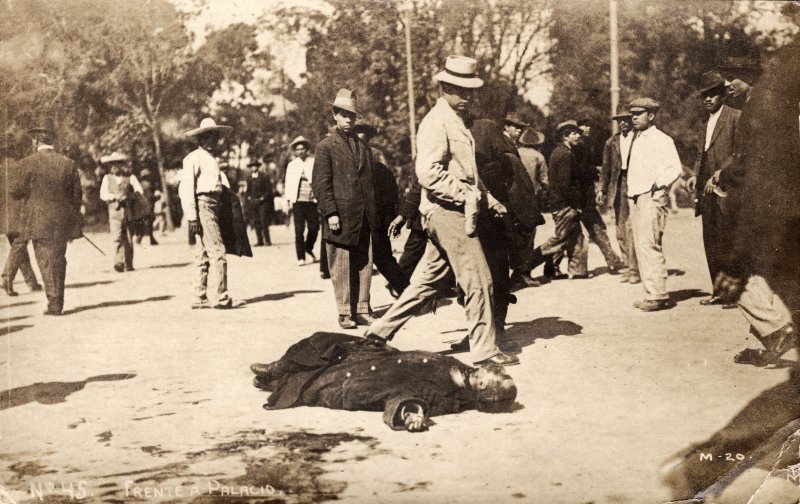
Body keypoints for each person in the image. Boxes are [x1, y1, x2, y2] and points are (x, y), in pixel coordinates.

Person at [365, 55, 518, 366]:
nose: (468, 97)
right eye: (461, 90)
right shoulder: (436, 122)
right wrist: (467, 196)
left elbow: (467, 172)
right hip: (448, 212)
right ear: (444, 87)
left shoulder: (455, 121)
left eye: (471, 91)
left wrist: (489, 200)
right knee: (479, 279)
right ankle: (485, 351)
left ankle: (377, 334)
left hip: (451, 211)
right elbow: (428, 172)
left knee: (426, 284)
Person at [713, 45, 799, 366]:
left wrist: (726, 172)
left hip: (770, 204)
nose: (728, 85)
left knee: (741, 270)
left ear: (749, 77)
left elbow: (757, 165)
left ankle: (775, 331)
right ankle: (766, 341)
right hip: (779, 200)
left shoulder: (761, 106)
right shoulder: (764, 102)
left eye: (733, 77)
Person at [249, 332, 517, 432]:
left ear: (484, 388)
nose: (498, 370)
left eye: (499, 376)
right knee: (325, 341)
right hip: (378, 359)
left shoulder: (451, 397)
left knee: (314, 383)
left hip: (365, 382)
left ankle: (275, 380)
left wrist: (411, 413)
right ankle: (275, 369)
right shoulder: (467, 372)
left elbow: (416, 400)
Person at [312, 89, 378, 329]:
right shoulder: (325, 147)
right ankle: (344, 312)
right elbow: (321, 183)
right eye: (344, 115)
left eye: (352, 115)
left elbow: (369, 182)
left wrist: (374, 214)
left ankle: (362, 307)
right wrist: (330, 213)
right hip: (340, 216)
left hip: (363, 216)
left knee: (364, 263)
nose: (349, 119)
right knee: (341, 265)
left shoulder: (363, 146)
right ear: (335, 116)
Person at [12, 126, 83, 315]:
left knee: (45, 260)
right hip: (62, 221)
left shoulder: (26, 163)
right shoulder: (68, 163)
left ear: (35, 141)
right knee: (59, 259)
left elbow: (15, 192)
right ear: (53, 141)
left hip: (38, 220)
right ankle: (57, 299)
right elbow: (77, 196)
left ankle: (54, 303)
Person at [685, 71, 741, 308]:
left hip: (727, 188)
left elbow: (739, 154)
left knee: (728, 241)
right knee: (711, 241)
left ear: (722, 95)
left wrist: (720, 174)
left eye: (712, 94)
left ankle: (736, 295)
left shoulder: (736, 117)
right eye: (704, 96)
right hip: (705, 190)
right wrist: (695, 177)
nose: (708, 99)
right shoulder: (704, 123)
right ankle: (719, 291)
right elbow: (701, 154)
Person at [626, 98, 682, 312]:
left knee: (650, 243)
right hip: (637, 195)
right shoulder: (636, 138)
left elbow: (674, 167)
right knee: (641, 245)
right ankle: (652, 292)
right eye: (632, 114)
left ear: (651, 116)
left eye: (639, 113)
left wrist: (658, 186)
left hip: (651, 195)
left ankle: (658, 294)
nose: (634, 117)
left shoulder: (661, 139)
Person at [178, 117, 241, 310]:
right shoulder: (193, 158)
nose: (212, 140)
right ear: (200, 139)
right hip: (203, 204)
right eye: (208, 137)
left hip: (214, 204)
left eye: (215, 137)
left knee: (202, 252)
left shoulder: (211, 159)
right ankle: (222, 297)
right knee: (218, 251)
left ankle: (200, 296)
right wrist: (192, 216)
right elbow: (186, 188)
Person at [354, 120, 409, 297]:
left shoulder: (376, 156)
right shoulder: (346, 156)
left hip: (377, 215)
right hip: (356, 216)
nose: (361, 141)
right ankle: (361, 306)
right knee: (358, 263)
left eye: (364, 137)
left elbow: (390, 188)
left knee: (383, 257)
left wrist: (393, 216)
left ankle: (407, 293)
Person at [528, 120, 588, 280]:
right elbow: (565, 185)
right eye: (574, 133)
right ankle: (525, 266)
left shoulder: (562, 152)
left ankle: (578, 271)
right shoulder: (564, 154)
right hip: (565, 205)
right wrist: (577, 205)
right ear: (565, 136)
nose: (578, 136)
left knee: (577, 236)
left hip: (564, 204)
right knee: (560, 239)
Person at [576, 120, 624, 274]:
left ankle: (613, 261)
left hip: (583, 196)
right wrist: (596, 170)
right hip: (580, 196)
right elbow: (580, 170)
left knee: (594, 228)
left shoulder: (584, 144)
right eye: (584, 125)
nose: (588, 128)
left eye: (589, 125)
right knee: (591, 229)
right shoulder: (578, 146)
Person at [599, 113, 641, 284]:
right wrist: (602, 190)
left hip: (637, 184)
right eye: (619, 120)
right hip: (618, 185)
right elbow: (606, 168)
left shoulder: (640, 138)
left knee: (637, 227)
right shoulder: (611, 142)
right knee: (621, 228)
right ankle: (628, 267)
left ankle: (637, 268)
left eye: (626, 119)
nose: (623, 123)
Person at [1, 156, 42, 296]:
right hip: (19, 215)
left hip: (5, 217)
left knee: (18, 247)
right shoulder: (21, 167)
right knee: (20, 245)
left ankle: (32, 282)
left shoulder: (3, 167)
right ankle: (7, 277)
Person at [99, 152, 145, 272]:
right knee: (117, 237)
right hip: (114, 212)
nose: (113, 167)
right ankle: (118, 262)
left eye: (116, 164)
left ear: (121, 164)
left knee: (129, 237)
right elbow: (103, 194)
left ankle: (128, 263)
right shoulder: (107, 178)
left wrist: (129, 196)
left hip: (129, 211)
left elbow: (139, 191)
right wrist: (113, 197)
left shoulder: (130, 177)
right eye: (111, 165)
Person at [285, 136, 319, 265]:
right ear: (295, 151)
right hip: (297, 201)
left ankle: (308, 248)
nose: (301, 152)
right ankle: (301, 257)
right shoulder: (292, 165)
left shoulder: (313, 161)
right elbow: (288, 183)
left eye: (303, 149)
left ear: (307, 149)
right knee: (299, 230)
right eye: (298, 149)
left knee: (314, 228)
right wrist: (288, 201)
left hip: (311, 201)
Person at [245, 158, 274, 247]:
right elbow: (248, 190)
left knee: (263, 221)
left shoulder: (264, 176)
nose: (254, 168)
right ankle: (259, 240)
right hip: (253, 202)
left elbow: (268, 190)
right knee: (256, 221)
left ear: (258, 166)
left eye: (255, 166)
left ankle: (267, 240)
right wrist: (248, 199)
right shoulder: (249, 178)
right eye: (252, 166)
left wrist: (263, 197)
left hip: (262, 202)